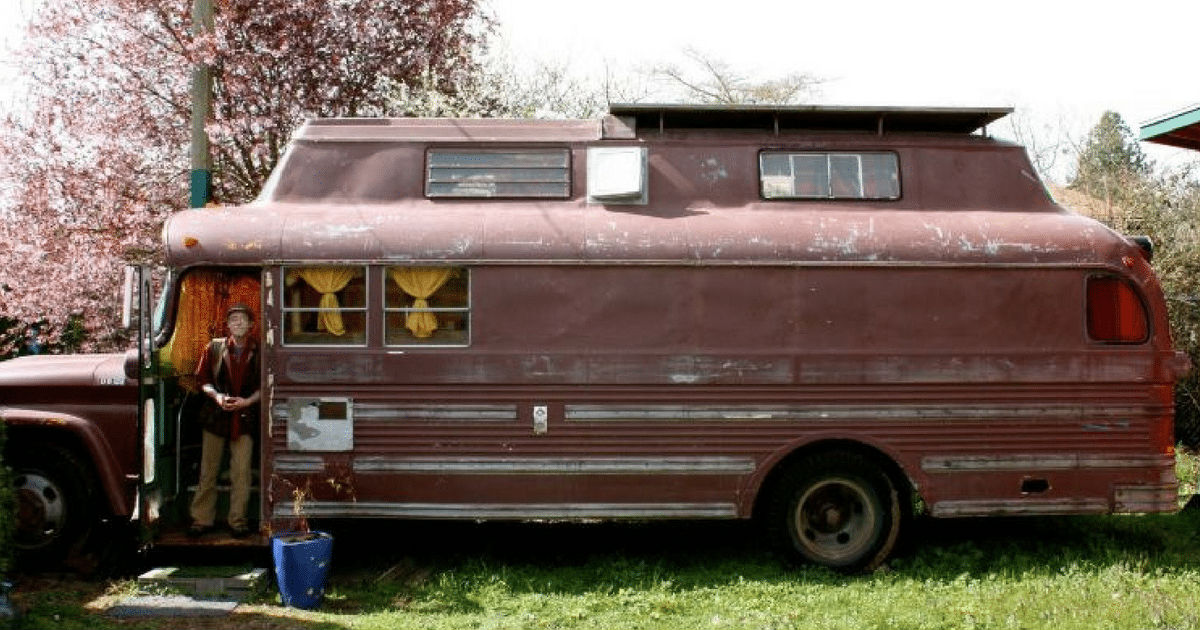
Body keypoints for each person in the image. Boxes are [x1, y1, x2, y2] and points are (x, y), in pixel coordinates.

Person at [189, 303, 261, 538]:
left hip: (245, 416)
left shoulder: (260, 350)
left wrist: (247, 402)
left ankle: (237, 521)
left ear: (252, 325)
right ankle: (201, 519)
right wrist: (217, 396)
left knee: (241, 471)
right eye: (233, 320)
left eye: (242, 319)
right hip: (216, 416)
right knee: (208, 470)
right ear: (227, 325)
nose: (238, 323)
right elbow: (203, 380)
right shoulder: (214, 347)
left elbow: (266, 385)